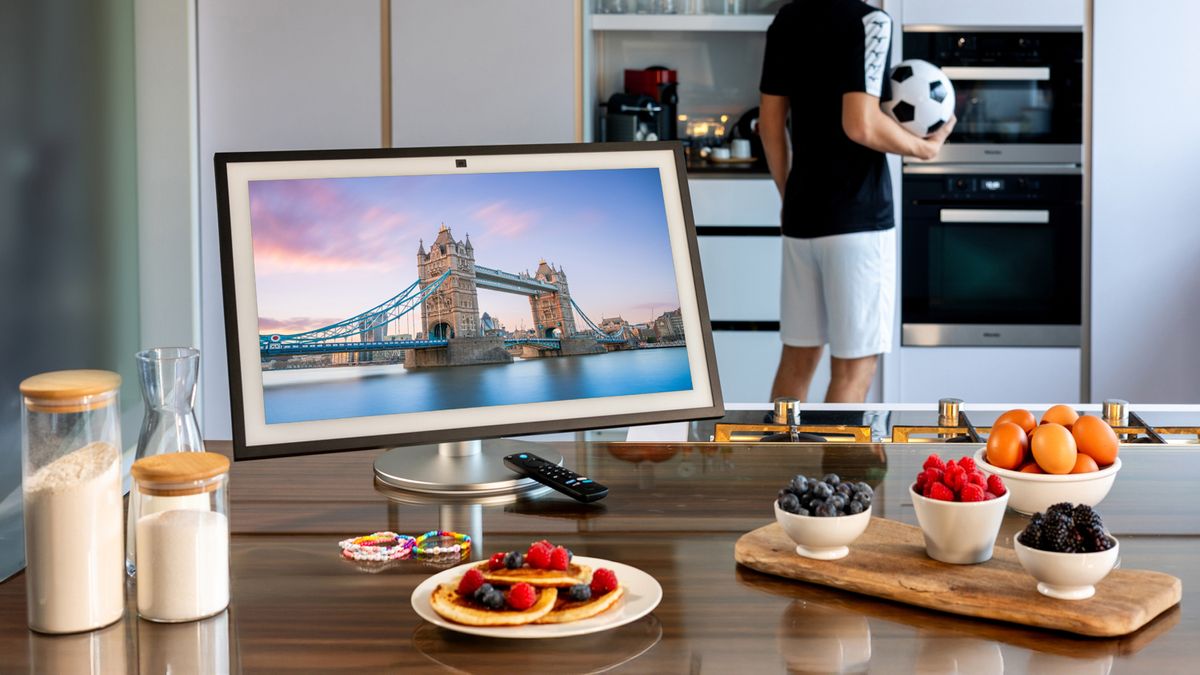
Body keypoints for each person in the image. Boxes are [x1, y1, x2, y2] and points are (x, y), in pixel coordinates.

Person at [759, 0, 955, 403]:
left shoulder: (788, 18)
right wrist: (924, 150)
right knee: (853, 371)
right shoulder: (872, 21)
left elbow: (769, 124)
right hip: (858, 221)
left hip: (802, 218)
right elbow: (860, 123)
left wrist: (788, 196)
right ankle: (834, 471)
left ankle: (781, 467)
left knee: (797, 359)